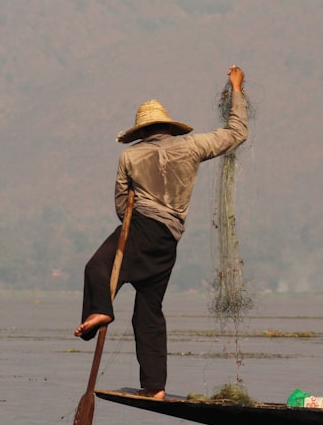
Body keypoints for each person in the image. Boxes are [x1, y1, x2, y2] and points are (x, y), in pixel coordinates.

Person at [74, 65, 248, 399]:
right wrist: (236, 89)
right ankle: (155, 386)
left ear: (141, 131)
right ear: (168, 127)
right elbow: (236, 133)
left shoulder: (130, 155)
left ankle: (101, 310)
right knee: (149, 310)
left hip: (140, 229)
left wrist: (135, 219)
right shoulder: (193, 146)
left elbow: (122, 205)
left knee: (96, 268)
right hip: (168, 240)